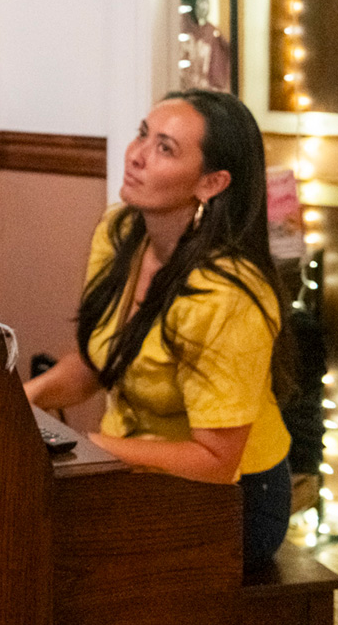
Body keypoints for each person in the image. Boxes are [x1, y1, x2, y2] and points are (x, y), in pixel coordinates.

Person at [24, 89, 293, 571]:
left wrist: (94, 447)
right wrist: (23, 400)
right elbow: (99, 361)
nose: (137, 156)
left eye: (165, 148)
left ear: (212, 183)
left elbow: (217, 461)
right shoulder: (120, 231)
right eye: (142, 135)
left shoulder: (227, 294)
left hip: (235, 500)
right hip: (131, 470)